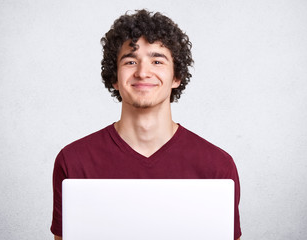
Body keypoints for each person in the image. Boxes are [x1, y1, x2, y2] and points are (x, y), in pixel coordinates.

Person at [51, 9, 241, 240]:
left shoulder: (217, 166)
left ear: (176, 77)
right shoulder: (73, 161)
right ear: (114, 78)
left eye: (157, 61)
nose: (143, 72)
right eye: (131, 61)